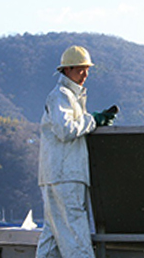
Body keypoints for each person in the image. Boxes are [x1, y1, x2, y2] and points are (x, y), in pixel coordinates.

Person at [36, 45, 116, 258]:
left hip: (55, 175)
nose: (85, 74)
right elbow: (66, 129)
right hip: (65, 175)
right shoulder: (61, 95)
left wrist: (92, 120)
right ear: (67, 69)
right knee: (75, 235)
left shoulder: (67, 96)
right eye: (81, 69)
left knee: (52, 237)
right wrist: (93, 120)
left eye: (87, 69)